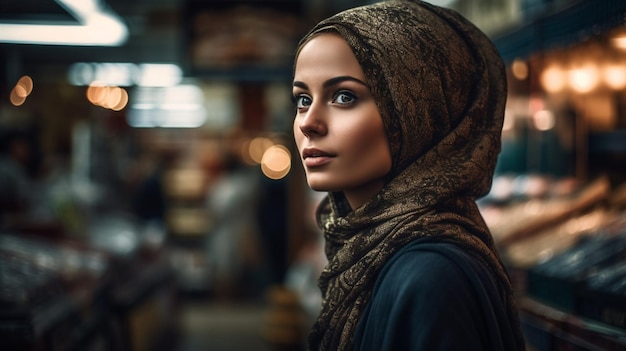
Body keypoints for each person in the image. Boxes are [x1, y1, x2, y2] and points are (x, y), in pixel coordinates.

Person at [291, 1, 526, 350]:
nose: (309, 121)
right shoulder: (369, 251)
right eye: (302, 99)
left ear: (420, 113)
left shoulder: (432, 277)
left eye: (344, 96)